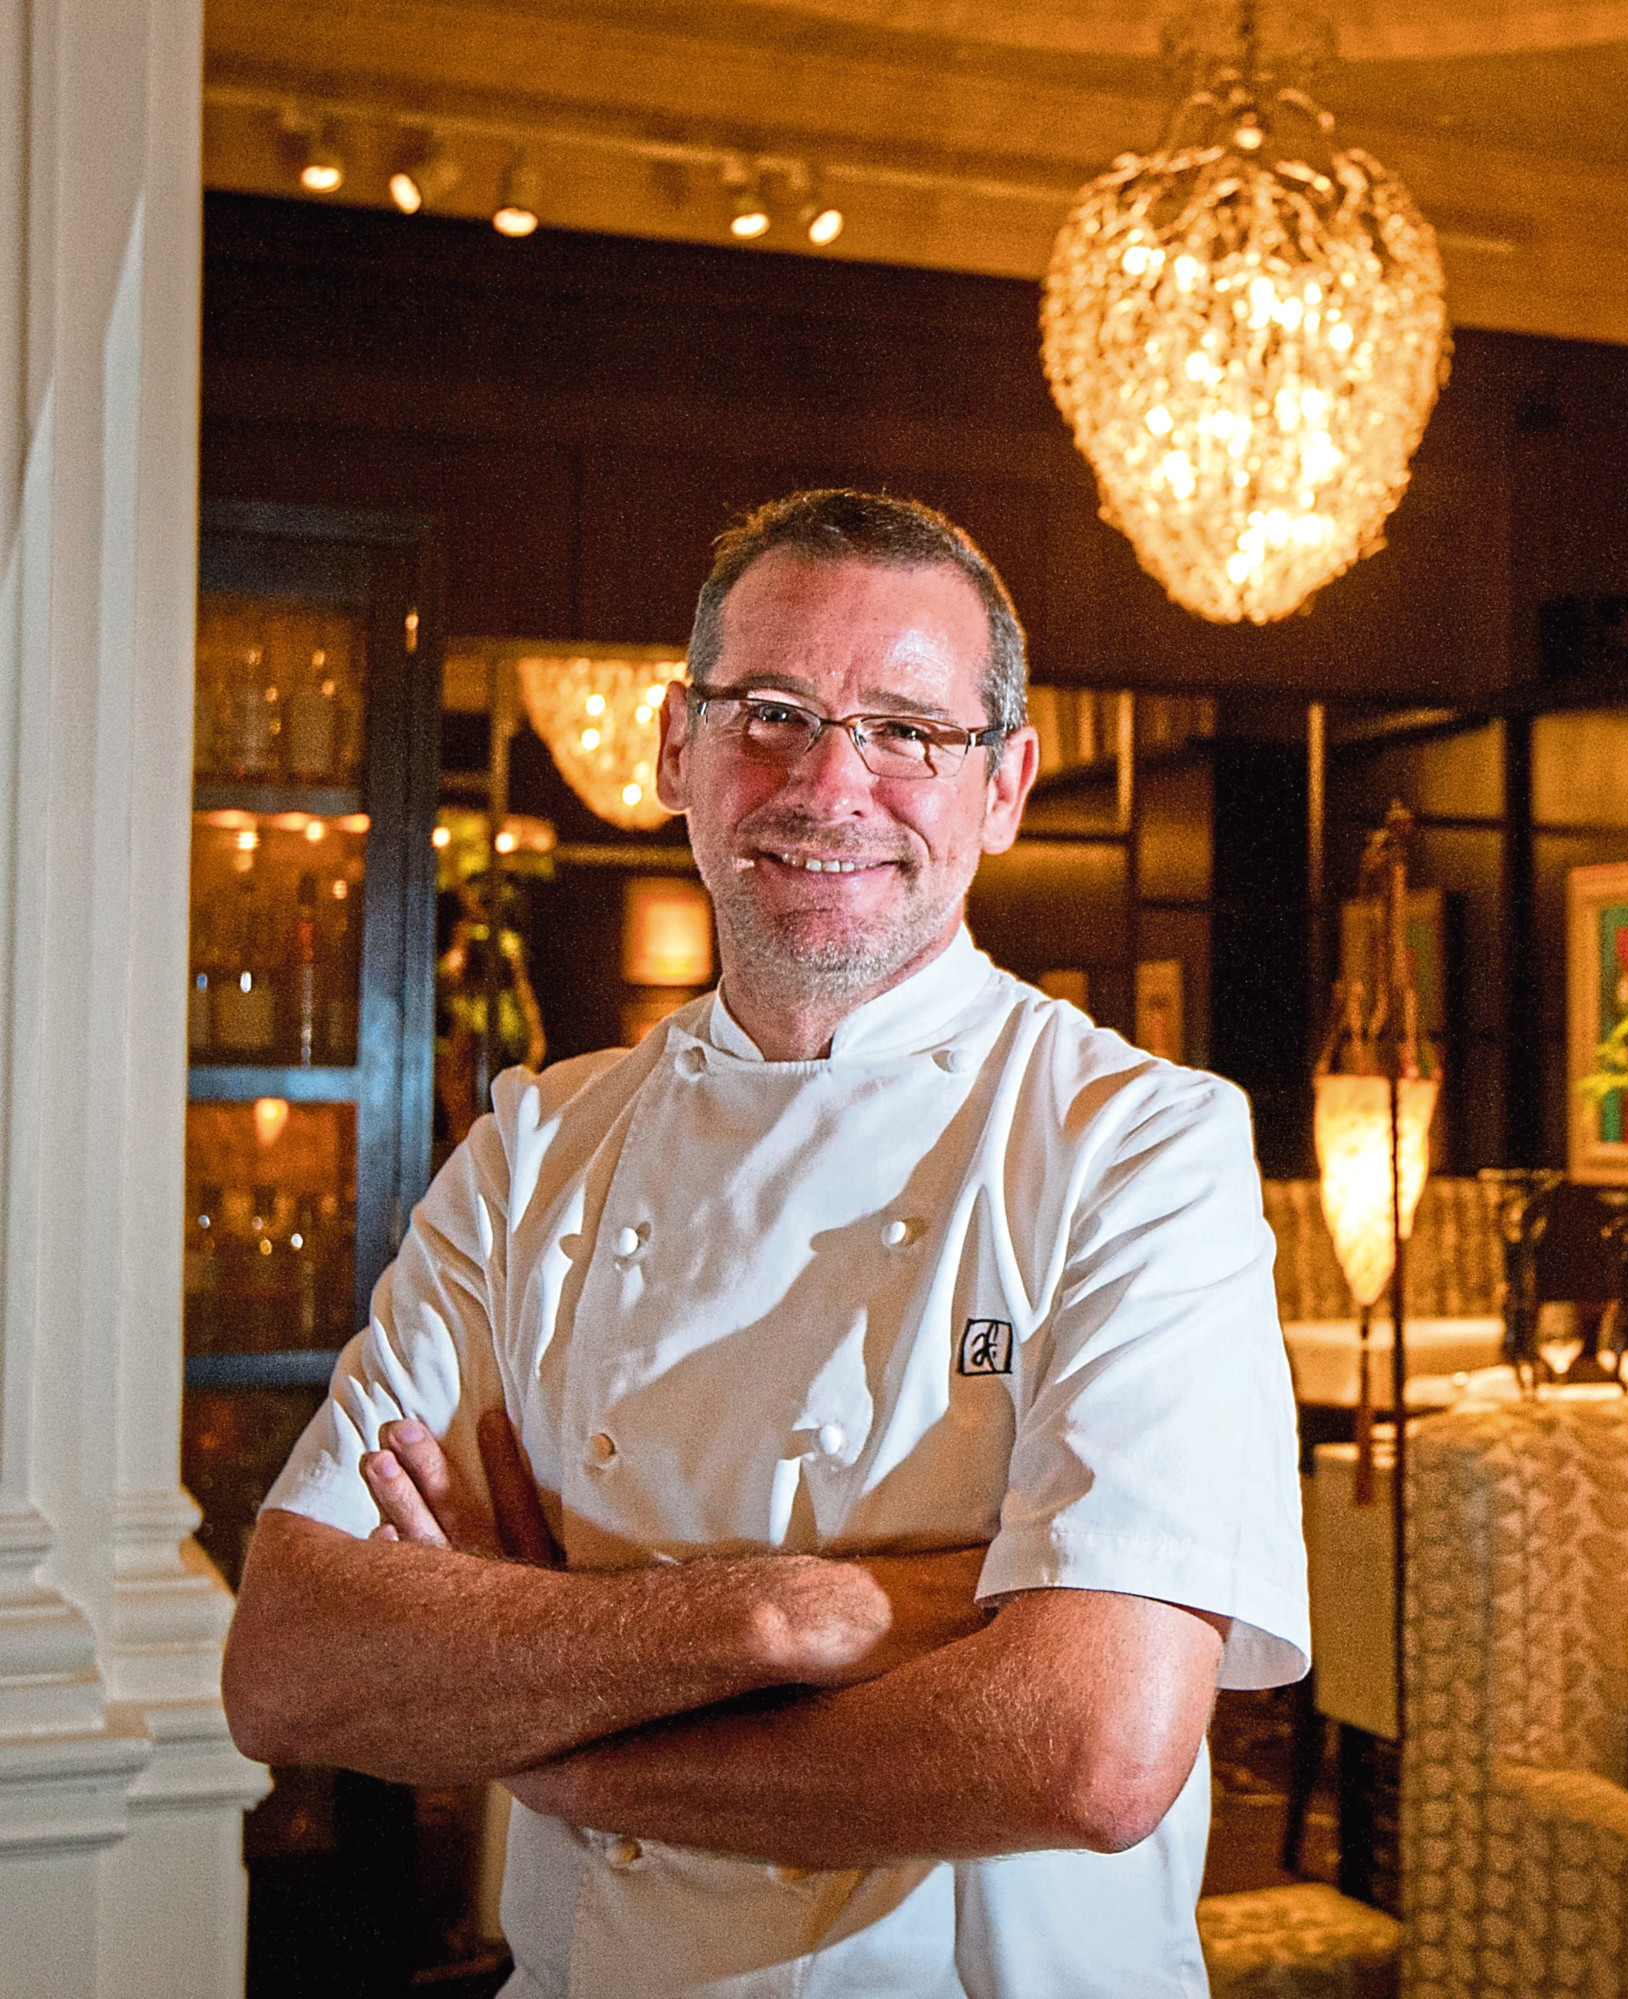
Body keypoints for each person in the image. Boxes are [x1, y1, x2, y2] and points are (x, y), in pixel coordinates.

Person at [222, 490, 1310, 1997]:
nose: (829, 782)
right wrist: (790, 1613)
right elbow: (289, 1662)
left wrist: (565, 1733)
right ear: (679, 746)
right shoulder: (537, 1152)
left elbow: (1093, 1750)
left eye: (907, 731)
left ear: (1003, 785)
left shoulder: (1135, 1146)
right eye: (774, 712)